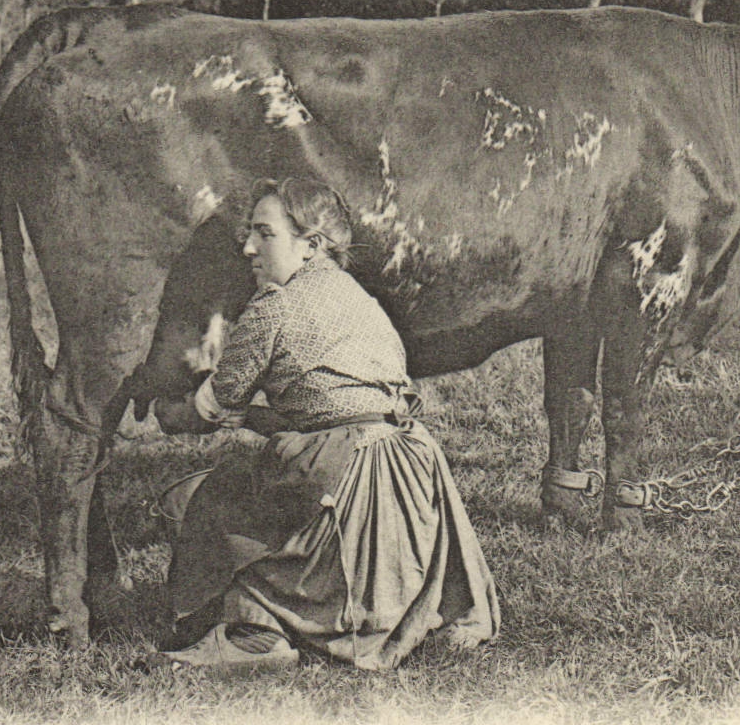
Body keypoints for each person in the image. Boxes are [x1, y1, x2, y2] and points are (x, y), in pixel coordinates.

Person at [150, 177, 500, 672]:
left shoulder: (273, 308)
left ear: (311, 245)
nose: (248, 248)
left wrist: (170, 410)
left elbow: (213, 404)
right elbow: (334, 404)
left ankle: (255, 630)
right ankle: (393, 607)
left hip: (346, 478)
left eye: (264, 235)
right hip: (413, 482)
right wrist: (253, 415)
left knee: (210, 494)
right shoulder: (362, 303)